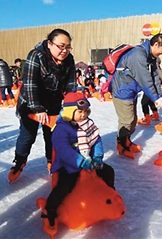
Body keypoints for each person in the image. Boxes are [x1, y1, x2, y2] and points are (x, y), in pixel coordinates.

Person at [8, 28, 76, 183]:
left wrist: (73, 103)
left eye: (68, 47)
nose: (64, 50)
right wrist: (37, 108)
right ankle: (19, 161)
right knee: (27, 137)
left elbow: (71, 84)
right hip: (30, 103)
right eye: (61, 46)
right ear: (50, 43)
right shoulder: (36, 55)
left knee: (52, 136)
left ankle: (52, 161)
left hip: (53, 104)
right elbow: (30, 84)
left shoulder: (69, 59)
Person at [42, 91, 115, 227]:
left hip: (89, 160)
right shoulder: (61, 129)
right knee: (66, 184)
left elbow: (96, 140)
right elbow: (64, 150)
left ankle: (109, 195)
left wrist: (97, 157)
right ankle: (50, 209)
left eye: (86, 111)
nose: (83, 115)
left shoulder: (88, 124)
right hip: (67, 164)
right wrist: (80, 162)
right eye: (80, 112)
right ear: (70, 112)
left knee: (108, 171)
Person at [109, 33, 162, 159]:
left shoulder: (150, 56)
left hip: (131, 90)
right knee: (127, 121)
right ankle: (121, 146)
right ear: (155, 45)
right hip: (122, 91)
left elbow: (154, 76)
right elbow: (145, 80)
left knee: (132, 120)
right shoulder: (138, 55)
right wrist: (155, 99)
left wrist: (160, 95)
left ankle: (126, 141)